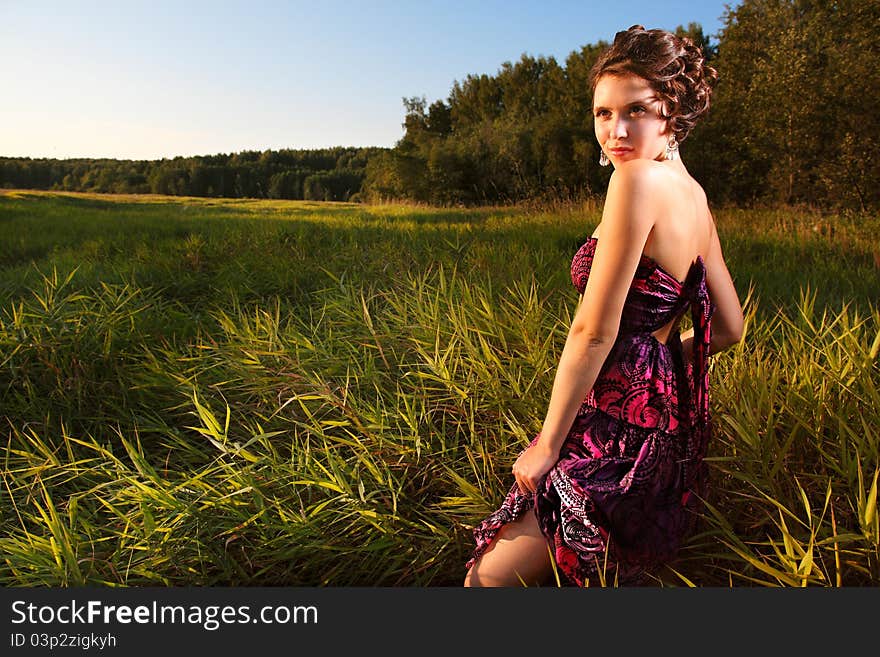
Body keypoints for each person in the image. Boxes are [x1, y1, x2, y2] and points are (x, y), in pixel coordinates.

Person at [463, 25, 744, 587]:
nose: (615, 131)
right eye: (601, 113)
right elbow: (730, 328)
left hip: (616, 424)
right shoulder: (694, 196)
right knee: (592, 570)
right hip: (664, 421)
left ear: (674, 110)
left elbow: (592, 331)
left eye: (636, 110)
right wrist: (661, 367)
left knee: (489, 581)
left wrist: (546, 445)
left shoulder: (637, 181)